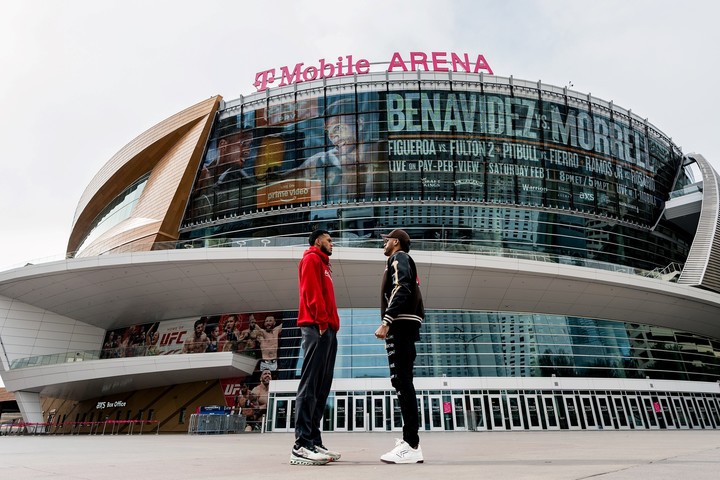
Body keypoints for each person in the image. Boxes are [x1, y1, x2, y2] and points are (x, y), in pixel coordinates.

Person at [290, 229, 341, 466]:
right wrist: (322, 323)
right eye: (329, 240)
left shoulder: (325, 265)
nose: (332, 244)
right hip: (315, 327)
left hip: (328, 329)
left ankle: (314, 439)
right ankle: (301, 445)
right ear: (318, 241)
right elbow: (311, 293)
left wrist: (331, 327)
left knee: (322, 388)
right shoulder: (311, 258)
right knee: (310, 384)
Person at [375, 229, 425, 464]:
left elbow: (402, 287)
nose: (383, 243)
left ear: (395, 242)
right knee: (402, 381)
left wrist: (387, 320)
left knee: (402, 382)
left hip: (401, 325)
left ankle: (412, 445)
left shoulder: (398, 258)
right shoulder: (400, 260)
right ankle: (410, 440)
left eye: (386, 240)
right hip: (405, 324)